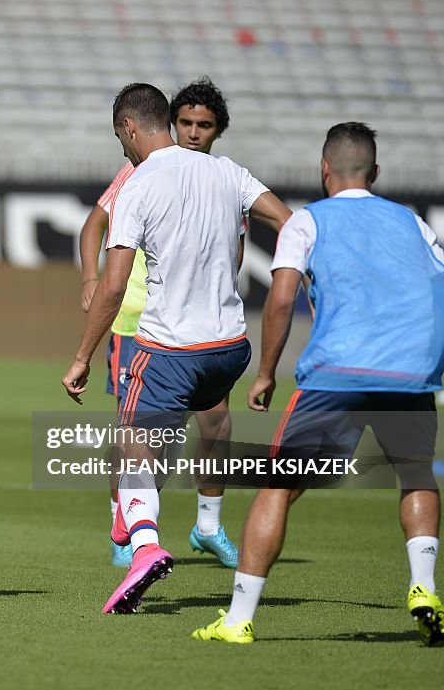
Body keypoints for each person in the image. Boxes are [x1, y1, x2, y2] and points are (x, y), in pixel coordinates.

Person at [193, 123, 444, 645]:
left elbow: (281, 299)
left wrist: (265, 373)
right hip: (411, 371)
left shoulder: (307, 221)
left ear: (323, 169)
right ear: (375, 173)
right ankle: (424, 587)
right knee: (416, 473)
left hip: (337, 372)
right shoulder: (413, 223)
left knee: (277, 488)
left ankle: (238, 620)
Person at [61, 83, 292, 614]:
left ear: (128, 128)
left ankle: (141, 543)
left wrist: (80, 356)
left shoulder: (136, 185)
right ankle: (165, 522)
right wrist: (297, 274)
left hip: (171, 346)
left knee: (134, 440)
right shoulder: (228, 171)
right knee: (200, 427)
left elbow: (115, 287)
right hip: (231, 348)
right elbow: (288, 221)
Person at [80, 77, 241, 569]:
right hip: (137, 324)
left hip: (201, 330)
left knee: (216, 423)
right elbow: (95, 224)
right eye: (185, 123)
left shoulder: (219, 178)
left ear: (217, 131)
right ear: (171, 124)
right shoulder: (139, 174)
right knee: (136, 435)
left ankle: (207, 524)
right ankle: (123, 526)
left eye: (204, 125)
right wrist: (91, 277)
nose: (193, 132)